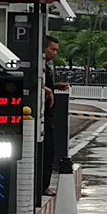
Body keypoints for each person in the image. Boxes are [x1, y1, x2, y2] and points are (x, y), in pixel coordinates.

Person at [42, 36, 69, 196]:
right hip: (41, 116)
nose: (54, 53)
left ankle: (44, 184)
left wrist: (54, 86)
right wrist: (47, 90)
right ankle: (42, 186)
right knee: (46, 150)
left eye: (56, 51)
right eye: (52, 49)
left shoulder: (46, 67)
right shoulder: (37, 67)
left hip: (48, 114)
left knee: (49, 150)